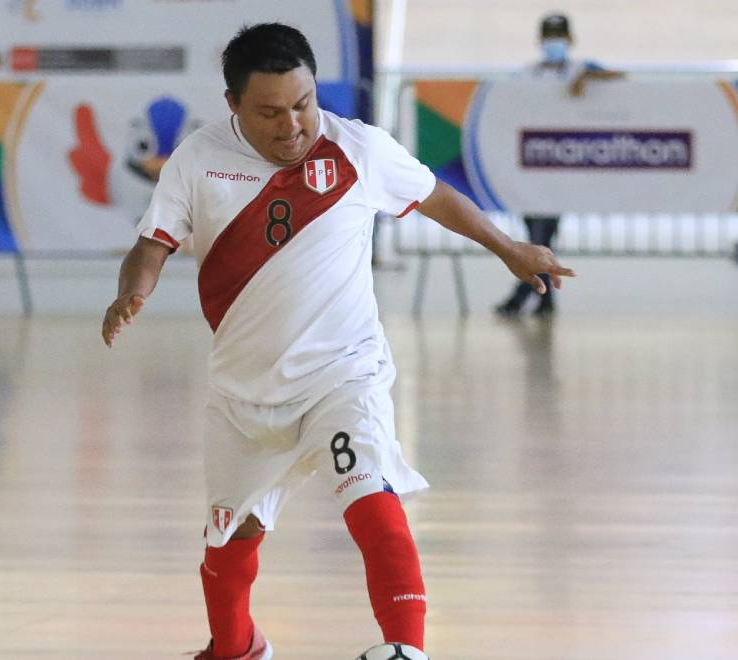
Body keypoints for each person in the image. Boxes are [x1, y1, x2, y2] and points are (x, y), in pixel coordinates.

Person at [101, 23, 574, 660]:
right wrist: (134, 290)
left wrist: (509, 249)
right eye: (270, 112)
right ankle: (237, 648)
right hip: (245, 394)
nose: (293, 125)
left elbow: (435, 196)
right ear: (233, 104)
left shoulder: (357, 149)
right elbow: (151, 244)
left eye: (303, 104)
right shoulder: (197, 159)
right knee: (228, 540)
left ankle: (407, 648)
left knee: (370, 496)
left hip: (342, 375)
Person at [495, 12, 620, 318]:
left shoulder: (581, 69)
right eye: (549, 38)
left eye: (559, 37)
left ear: (570, 40)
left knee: (541, 233)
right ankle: (543, 296)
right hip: (530, 169)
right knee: (538, 233)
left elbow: (622, 81)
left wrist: (588, 77)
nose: (554, 43)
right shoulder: (527, 76)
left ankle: (525, 294)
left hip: (559, 171)